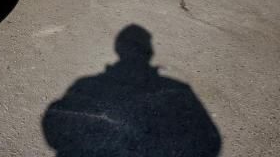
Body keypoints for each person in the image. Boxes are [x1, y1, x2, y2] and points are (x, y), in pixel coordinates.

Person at [42, 24, 221, 157]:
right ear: (149, 51)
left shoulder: (85, 84)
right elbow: (211, 143)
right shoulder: (178, 89)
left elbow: (53, 123)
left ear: (118, 49)